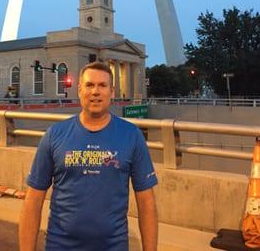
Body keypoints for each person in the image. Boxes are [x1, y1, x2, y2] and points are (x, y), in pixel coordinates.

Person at [19, 61, 158, 251]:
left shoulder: (131, 135)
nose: (95, 92)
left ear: (112, 91)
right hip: (60, 246)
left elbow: (146, 202)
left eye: (102, 85)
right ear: (79, 90)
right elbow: (33, 200)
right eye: (89, 85)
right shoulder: (54, 135)